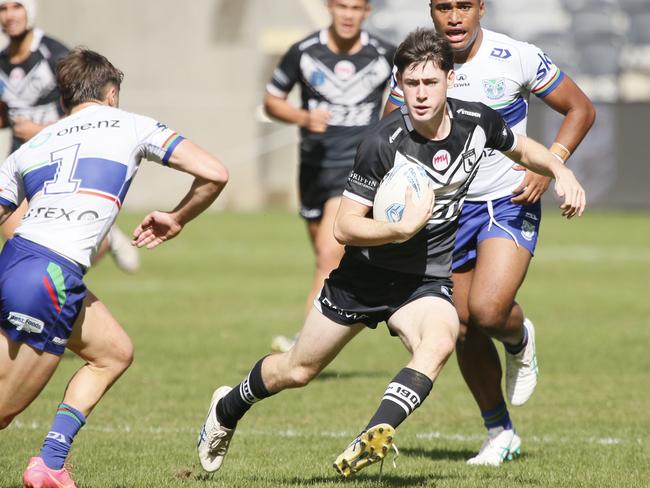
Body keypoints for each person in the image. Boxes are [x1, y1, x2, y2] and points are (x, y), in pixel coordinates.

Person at [197, 28, 585, 478]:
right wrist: (396, 228)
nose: (420, 94)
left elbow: (521, 147)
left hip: (425, 279)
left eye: (430, 82)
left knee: (439, 340)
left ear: (450, 80)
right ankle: (227, 407)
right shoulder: (382, 143)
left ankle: (374, 435)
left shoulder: (476, 122)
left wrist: (560, 170)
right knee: (297, 370)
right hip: (363, 278)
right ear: (398, 85)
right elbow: (344, 226)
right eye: (411, 84)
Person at [0, 47, 229, 487]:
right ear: (111, 94)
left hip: (19, 262)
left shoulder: (35, 143)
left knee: (113, 353)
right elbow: (214, 172)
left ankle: (50, 462)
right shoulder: (131, 124)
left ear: (65, 101)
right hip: (51, 277)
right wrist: (177, 217)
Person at [383, 0, 596, 466]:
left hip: (506, 200)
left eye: (464, 6)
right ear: (432, 11)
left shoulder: (516, 55)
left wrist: (549, 165)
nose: (454, 17)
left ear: (481, 8)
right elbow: (388, 134)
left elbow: (579, 108)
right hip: (446, 212)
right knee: (460, 326)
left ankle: (520, 338)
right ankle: (500, 431)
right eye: (444, 7)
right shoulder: (417, 67)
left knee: (487, 309)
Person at [264, 0, 395, 353]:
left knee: (327, 256)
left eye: (357, 8)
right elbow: (271, 100)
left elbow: (406, 97)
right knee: (327, 262)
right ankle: (343, 313)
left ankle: (304, 347)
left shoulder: (384, 54)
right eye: (342, 6)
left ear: (367, 12)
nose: (349, 15)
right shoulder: (305, 52)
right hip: (313, 169)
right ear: (329, 8)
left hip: (356, 172)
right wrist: (303, 118)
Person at [0, 0, 140, 273]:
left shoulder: (54, 54)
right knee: (17, 238)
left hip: (63, 163)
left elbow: (88, 113)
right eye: (2, 9)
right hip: (21, 160)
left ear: (30, 10)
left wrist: (39, 131)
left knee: (45, 247)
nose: (9, 15)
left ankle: (104, 241)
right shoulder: (2, 62)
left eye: (16, 7)